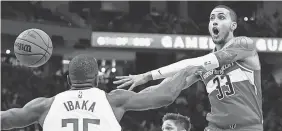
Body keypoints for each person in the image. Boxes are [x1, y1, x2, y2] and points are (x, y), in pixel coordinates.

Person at [114, 5, 263, 131]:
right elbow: (165, 87)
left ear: (233, 26)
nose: (215, 22)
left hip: (247, 127)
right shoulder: (204, 65)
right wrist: (127, 99)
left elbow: (193, 64)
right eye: (212, 18)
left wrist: (148, 75)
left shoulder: (244, 44)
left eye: (221, 17)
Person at [1, 54, 200, 131]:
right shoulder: (114, 101)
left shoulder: (43, 106)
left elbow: (6, 119)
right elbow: (163, 96)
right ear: (97, 80)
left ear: (69, 80)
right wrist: (189, 68)